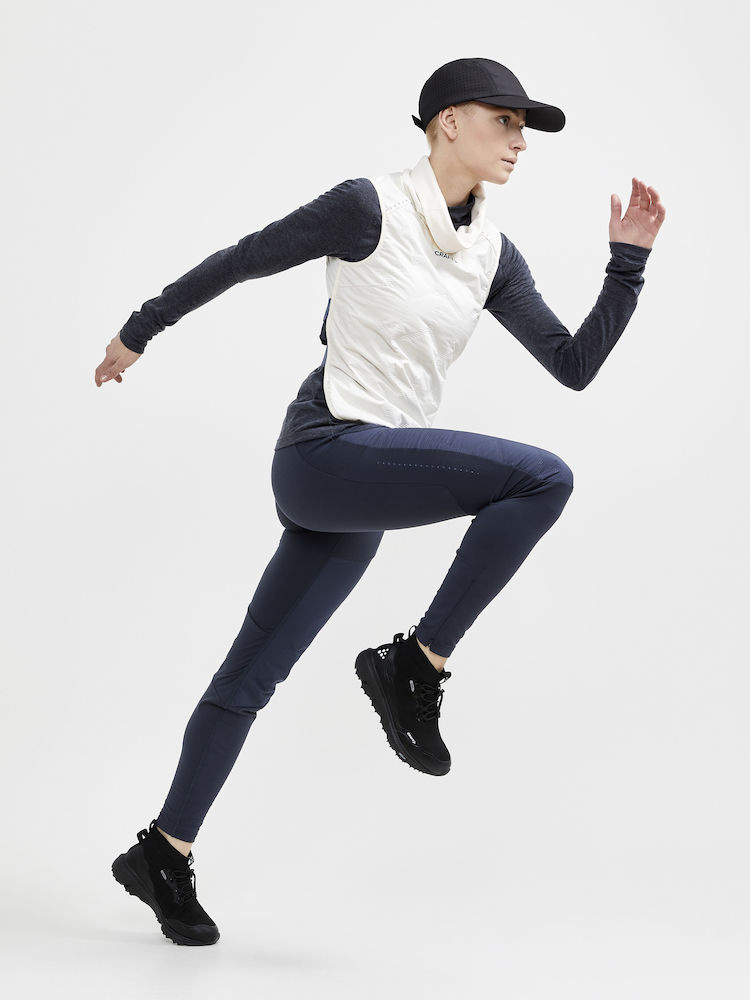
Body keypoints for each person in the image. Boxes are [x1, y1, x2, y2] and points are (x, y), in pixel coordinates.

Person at [101, 57, 666, 946]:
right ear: (448, 121)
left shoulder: (492, 254)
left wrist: (626, 265)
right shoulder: (368, 206)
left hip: (364, 489)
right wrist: (141, 328)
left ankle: (161, 853)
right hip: (324, 452)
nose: (519, 141)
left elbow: (572, 365)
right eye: (505, 120)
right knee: (541, 476)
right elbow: (245, 259)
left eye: (525, 128)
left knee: (248, 680)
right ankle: (416, 665)